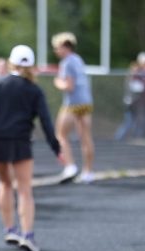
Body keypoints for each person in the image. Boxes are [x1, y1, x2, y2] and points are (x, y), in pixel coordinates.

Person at [0, 45, 62, 251]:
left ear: (11, 62)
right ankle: (27, 235)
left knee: (5, 184)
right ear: (31, 65)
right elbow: (45, 121)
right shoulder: (33, 89)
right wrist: (56, 147)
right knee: (25, 190)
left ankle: (10, 229)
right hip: (20, 141)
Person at [52, 32, 95, 183]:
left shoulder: (67, 62)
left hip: (73, 104)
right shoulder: (78, 59)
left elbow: (69, 86)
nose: (56, 51)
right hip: (86, 102)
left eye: (57, 47)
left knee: (61, 134)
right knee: (86, 137)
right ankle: (88, 172)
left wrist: (58, 82)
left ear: (65, 47)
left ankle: (70, 167)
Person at [114, 61, 140, 141]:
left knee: (133, 122)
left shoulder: (136, 79)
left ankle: (133, 137)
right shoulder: (129, 79)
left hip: (134, 104)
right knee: (128, 122)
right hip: (128, 104)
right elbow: (132, 89)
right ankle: (117, 137)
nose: (135, 72)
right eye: (134, 70)